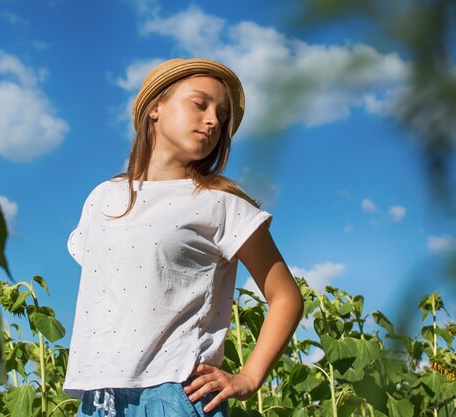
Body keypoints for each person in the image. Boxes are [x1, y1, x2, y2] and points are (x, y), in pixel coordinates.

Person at [63, 58, 304, 417]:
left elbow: (286, 297)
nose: (213, 121)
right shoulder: (102, 199)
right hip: (97, 399)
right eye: (200, 104)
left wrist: (249, 378)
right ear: (155, 107)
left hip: (175, 395)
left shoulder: (220, 203)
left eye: (221, 116)